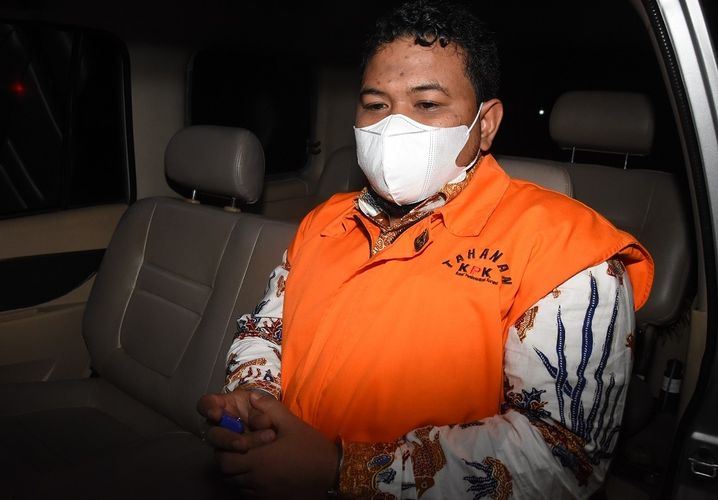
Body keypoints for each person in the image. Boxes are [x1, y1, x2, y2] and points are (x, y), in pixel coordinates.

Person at [198, 1, 654, 498]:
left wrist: (339, 469)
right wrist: (255, 400)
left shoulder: (567, 250)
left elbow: (563, 456)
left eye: (427, 104)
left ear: (485, 124)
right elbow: (266, 329)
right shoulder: (324, 221)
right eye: (376, 105)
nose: (395, 126)